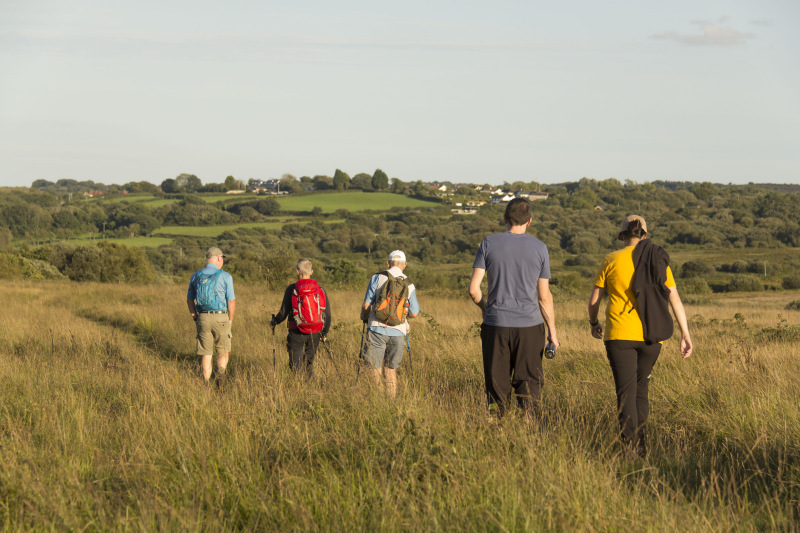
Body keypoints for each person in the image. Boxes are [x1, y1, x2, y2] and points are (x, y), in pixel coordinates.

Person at [587, 214, 693, 458]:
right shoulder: (658, 259)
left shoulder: (611, 259)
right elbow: (674, 299)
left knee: (626, 394)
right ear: (644, 235)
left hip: (619, 336)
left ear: (623, 235)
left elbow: (594, 300)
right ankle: (641, 446)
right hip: (652, 336)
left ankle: (631, 450)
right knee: (641, 391)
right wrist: (685, 334)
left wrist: (593, 322)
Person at [468, 197, 560, 420]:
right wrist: (553, 334)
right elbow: (544, 297)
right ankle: (526, 431)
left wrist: (485, 307)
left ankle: (496, 431)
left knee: (496, 385)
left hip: (496, 324)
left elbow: (473, 289)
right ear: (530, 221)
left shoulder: (488, 243)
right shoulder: (540, 248)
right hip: (530, 327)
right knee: (529, 384)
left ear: (505, 218)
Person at [360, 250, 420, 397]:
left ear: (388, 263)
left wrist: (364, 318)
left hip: (376, 328)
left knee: (374, 367)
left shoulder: (377, 277)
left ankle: (377, 398)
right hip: (398, 331)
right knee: (390, 369)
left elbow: (366, 306)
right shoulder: (409, 284)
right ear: (404, 265)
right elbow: (414, 313)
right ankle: (391, 402)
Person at [270, 259, 331, 379]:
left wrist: (274, 322)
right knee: (309, 362)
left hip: (296, 331)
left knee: (296, 365)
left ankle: (299, 387)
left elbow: (283, 312)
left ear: (298, 271)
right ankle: (309, 386)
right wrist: (324, 333)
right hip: (315, 332)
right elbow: (327, 314)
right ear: (311, 271)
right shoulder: (320, 290)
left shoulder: (292, 289)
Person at [187, 246, 236, 387]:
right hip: (221, 317)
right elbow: (231, 301)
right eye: (222, 259)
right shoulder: (225, 276)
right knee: (223, 350)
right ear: (219, 258)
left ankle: (206, 383)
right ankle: (220, 376)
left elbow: (189, 300)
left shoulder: (195, 276)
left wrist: (194, 316)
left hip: (202, 317)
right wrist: (230, 320)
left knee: (206, 353)